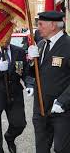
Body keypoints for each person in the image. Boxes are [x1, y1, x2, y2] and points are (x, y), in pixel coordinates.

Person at [0, 38, 34, 153]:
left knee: (19, 124)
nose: (5, 39)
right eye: (3, 36)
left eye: (8, 36)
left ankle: (10, 137)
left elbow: (24, 71)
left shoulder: (18, 51)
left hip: (14, 94)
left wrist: (29, 84)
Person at [27, 11, 70, 153]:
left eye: (40, 24)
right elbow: (35, 74)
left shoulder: (68, 45)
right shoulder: (40, 44)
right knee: (41, 148)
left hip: (62, 110)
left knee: (61, 148)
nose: (38, 27)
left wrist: (63, 101)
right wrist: (32, 63)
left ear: (53, 25)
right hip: (40, 108)